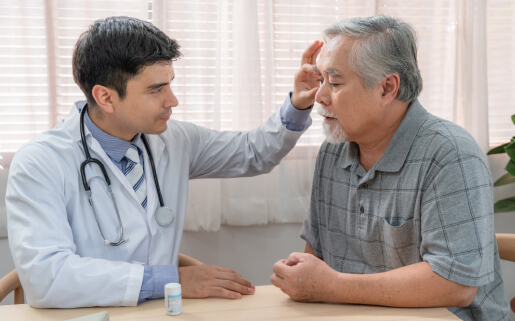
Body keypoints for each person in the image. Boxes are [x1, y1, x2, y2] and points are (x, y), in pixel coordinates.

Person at [6, 16, 323, 308]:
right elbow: (46, 278)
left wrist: (297, 104)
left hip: (162, 312)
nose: (173, 100)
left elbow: (253, 153)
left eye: (170, 83)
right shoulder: (40, 162)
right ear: (105, 97)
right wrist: (170, 278)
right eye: (156, 89)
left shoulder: (174, 140)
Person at [270, 15, 510, 320]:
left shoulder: (451, 154)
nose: (319, 96)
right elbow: (316, 259)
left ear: (387, 88)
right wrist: (301, 279)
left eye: (334, 83)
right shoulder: (333, 150)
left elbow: (456, 284)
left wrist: (331, 286)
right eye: (321, 81)